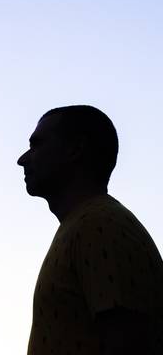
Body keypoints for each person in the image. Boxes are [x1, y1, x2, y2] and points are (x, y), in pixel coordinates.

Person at [17, 105, 163, 354]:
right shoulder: (84, 225)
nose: (22, 159)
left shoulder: (100, 226)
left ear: (75, 149)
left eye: (37, 144)